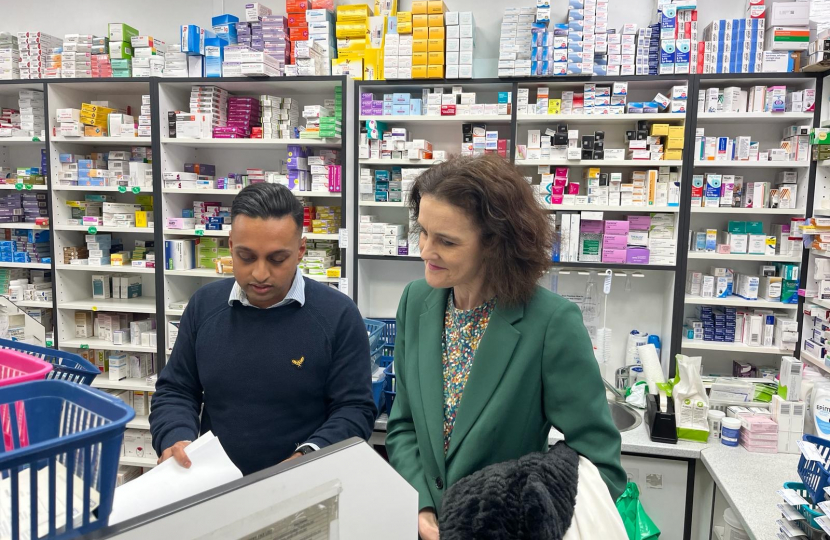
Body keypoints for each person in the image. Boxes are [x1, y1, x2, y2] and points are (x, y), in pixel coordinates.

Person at [385, 154, 627, 540]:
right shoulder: (417, 301)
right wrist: (421, 505)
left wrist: (520, 520)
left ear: (495, 244)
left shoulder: (549, 322)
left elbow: (600, 462)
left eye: (446, 241)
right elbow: (403, 426)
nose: (425, 252)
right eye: (423, 232)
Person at [150, 183, 376, 475]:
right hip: (213, 484)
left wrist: (306, 457)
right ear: (231, 246)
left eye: (277, 259)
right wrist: (176, 438)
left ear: (300, 251)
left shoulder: (338, 315)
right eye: (246, 257)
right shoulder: (204, 306)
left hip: (305, 484)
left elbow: (355, 409)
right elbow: (177, 390)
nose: (259, 273)